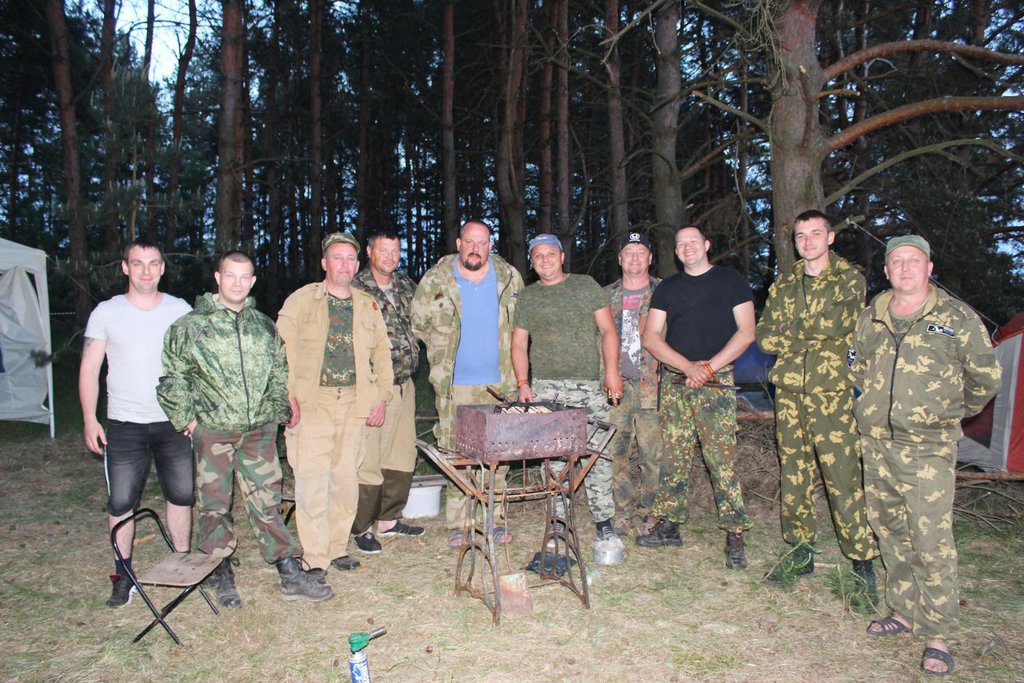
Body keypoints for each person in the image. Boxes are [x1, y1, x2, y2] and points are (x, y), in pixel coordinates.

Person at [851, 235, 1000, 676]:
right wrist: (870, 406)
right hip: (877, 442)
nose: (905, 268)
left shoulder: (956, 317)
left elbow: (985, 377)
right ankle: (903, 610)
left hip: (928, 447)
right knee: (890, 530)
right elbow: (855, 365)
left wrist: (946, 412)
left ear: (929, 268)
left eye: (913, 261)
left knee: (930, 539)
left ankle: (938, 633)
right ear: (886, 270)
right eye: (896, 261)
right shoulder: (872, 315)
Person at [158, 251, 332, 606]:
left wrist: (275, 412)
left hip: (258, 433)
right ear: (218, 278)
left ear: (252, 281)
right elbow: (173, 378)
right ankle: (219, 571)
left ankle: (288, 571)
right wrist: (189, 420)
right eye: (230, 276)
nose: (237, 283)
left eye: (244, 277)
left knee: (267, 502)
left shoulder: (263, 326)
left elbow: (279, 373)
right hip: (214, 432)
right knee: (215, 506)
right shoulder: (190, 327)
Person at [755, 210, 878, 587]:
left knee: (842, 475)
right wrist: (810, 334)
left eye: (815, 234)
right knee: (794, 474)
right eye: (800, 236)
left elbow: (839, 323)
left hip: (832, 392)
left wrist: (792, 332)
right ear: (794, 242)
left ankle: (861, 559)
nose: (807, 242)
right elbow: (765, 336)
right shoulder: (785, 283)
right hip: (790, 392)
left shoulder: (849, 279)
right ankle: (800, 551)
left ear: (830, 237)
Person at [79, 239, 193, 608]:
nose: (146, 270)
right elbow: (90, 368)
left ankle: (182, 564)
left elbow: (196, 366)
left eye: (153, 263)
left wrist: (192, 413)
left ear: (163, 268)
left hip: (173, 423)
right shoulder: (106, 313)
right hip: (124, 424)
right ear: (125, 268)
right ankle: (123, 574)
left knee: (181, 496)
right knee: (121, 501)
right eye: (138, 263)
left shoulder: (181, 310)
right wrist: (89, 418)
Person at [637, 226, 754, 569]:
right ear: (676, 252)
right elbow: (651, 337)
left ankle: (735, 531)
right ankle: (670, 525)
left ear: (706, 244)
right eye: (680, 244)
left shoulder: (730, 281)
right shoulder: (668, 289)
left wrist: (708, 368)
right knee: (674, 457)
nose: (687, 247)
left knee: (721, 460)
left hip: (716, 383)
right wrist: (688, 367)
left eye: (693, 241)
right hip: (676, 382)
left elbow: (747, 332)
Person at [278, 233, 393, 572]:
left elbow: (382, 354)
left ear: (357, 266)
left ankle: (336, 547)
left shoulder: (367, 305)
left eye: (350, 259)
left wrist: (382, 397)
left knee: (345, 480)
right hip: (313, 402)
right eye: (337, 258)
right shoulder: (301, 301)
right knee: (313, 480)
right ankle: (315, 557)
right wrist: (288, 397)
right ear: (324, 263)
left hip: (355, 401)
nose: (344, 264)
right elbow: (281, 352)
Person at [411, 220, 524, 548]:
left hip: (500, 384)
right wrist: (439, 356)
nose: (476, 248)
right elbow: (418, 326)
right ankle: (460, 523)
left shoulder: (509, 277)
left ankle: (494, 519)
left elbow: (523, 327)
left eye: (482, 242)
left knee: (498, 454)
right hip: (454, 386)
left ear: (490, 245)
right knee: (457, 453)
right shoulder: (436, 279)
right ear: (459, 243)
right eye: (470, 242)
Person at [511, 233, 625, 553]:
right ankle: (558, 523)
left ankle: (604, 524)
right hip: (546, 388)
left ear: (562, 257)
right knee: (554, 459)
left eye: (550, 253)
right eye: (538, 256)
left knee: (597, 455)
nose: (544, 260)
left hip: (588, 386)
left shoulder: (585, 286)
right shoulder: (528, 297)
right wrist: (523, 383)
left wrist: (612, 372)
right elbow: (519, 344)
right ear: (532, 262)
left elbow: (607, 330)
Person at [350, 230, 425, 543]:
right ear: (369, 252)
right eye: (383, 250)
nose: (390, 257)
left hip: (405, 383)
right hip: (373, 385)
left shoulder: (406, 285)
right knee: (370, 456)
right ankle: (361, 526)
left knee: (402, 453)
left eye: (395, 251)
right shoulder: (355, 288)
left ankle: (388, 519)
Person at [603, 232, 663, 532]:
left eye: (641, 252)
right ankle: (622, 512)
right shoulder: (605, 295)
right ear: (620, 259)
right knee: (616, 453)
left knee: (653, 454)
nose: (635, 257)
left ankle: (652, 511)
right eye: (628, 252)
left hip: (654, 383)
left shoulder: (666, 291)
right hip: (617, 385)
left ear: (650, 258)